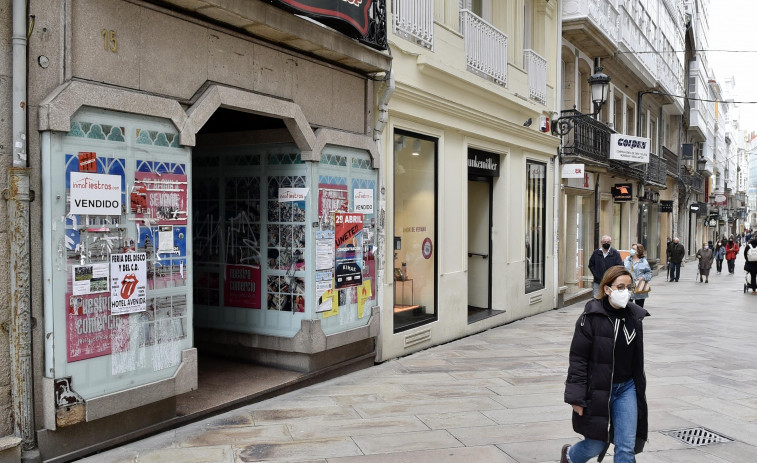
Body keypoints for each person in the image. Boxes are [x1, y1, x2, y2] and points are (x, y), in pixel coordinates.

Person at [561, 265, 649, 463]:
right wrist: (577, 397)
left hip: (626, 388)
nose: (625, 292)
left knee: (626, 447)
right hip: (597, 390)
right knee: (596, 444)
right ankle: (570, 456)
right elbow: (578, 359)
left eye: (629, 287)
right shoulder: (590, 318)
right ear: (607, 289)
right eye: (619, 287)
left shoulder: (635, 317)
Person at [624, 243, 652, 307]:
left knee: (639, 307)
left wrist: (643, 278)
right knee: (627, 307)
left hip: (639, 287)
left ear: (638, 251)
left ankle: (638, 317)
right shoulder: (627, 260)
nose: (631, 250)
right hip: (628, 287)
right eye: (631, 248)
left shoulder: (644, 262)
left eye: (633, 249)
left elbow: (649, 273)